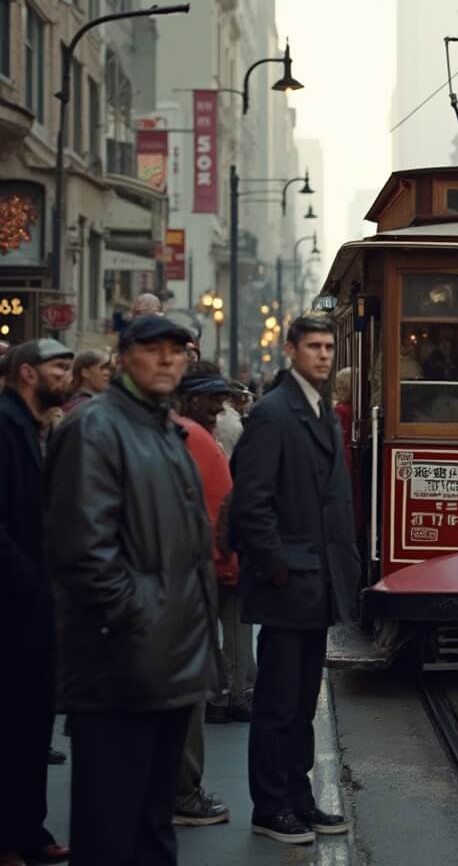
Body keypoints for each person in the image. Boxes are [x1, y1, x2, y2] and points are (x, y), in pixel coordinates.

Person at [44, 317, 219, 866]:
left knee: (151, 827)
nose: (167, 360)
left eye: (177, 350)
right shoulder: (95, 428)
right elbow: (83, 552)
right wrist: (145, 618)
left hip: (168, 663)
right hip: (121, 667)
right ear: (124, 359)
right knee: (110, 832)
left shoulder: (163, 428)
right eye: (153, 349)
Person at [230, 317, 360, 845]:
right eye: (314, 346)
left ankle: (298, 798)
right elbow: (251, 502)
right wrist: (277, 566)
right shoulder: (273, 413)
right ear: (291, 350)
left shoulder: (316, 408)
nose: (324, 355)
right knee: (278, 703)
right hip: (290, 582)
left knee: (303, 703)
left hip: (317, 580)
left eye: (329, 347)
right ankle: (271, 805)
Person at [0, 340, 73, 866]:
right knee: (13, 724)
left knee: (32, 723)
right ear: (27, 373)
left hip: (36, 604)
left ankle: (29, 829)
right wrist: (33, 583)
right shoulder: (5, 427)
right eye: (58, 368)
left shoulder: (36, 426)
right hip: (14, 606)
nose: (66, 376)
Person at [170, 370, 233, 828]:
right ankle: (183, 793)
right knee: (188, 689)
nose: (220, 409)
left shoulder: (183, 432)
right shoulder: (189, 435)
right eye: (212, 400)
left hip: (187, 576)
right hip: (192, 579)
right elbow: (216, 511)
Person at [62, 350, 111, 415]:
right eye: (102, 368)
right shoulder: (82, 406)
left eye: (108, 369)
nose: (107, 373)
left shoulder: (96, 403)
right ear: (85, 373)